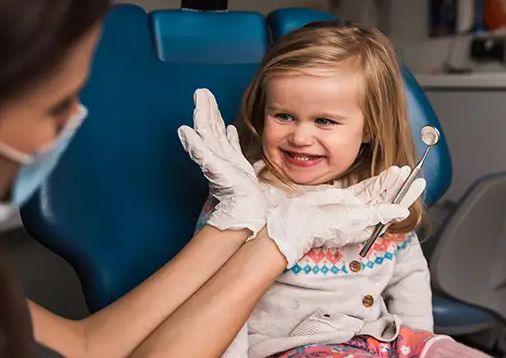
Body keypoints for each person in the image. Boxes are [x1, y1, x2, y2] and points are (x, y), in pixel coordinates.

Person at [0, 0, 423, 357]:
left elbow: (89, 349)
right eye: (58, 103)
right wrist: (277, 237)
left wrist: (235, 225)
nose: (71, 124)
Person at [191, 22, 487, 357]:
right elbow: (217, 299)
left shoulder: (380, 195)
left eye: (324, 121)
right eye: (284, 116)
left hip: (385, 340)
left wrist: (418, 346)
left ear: (369, 129)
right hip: (293, 349)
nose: (300, 137)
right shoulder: (244, 196)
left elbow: (409, 274)